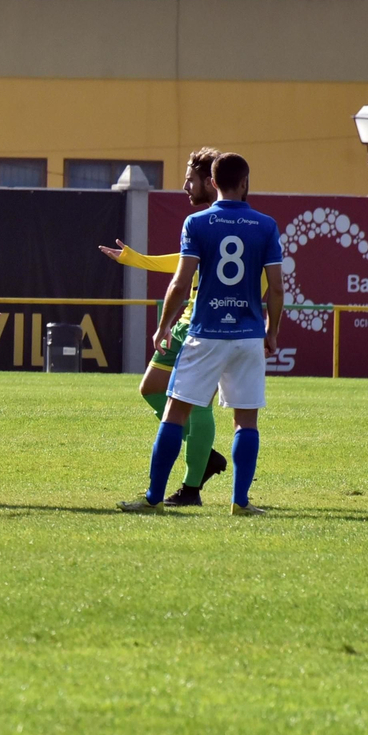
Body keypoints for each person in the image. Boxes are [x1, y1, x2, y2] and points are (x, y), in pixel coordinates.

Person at [122, 152, 283, 515]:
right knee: (246, 420)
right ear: (244, 182)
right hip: (247, 334)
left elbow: (180, 283)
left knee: (175, 413)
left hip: (205, 331)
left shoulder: (196, 223)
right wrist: (272, 331)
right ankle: (240, 503)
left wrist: (163, 325)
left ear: (213, 182)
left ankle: (152, 498)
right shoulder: (266, 225)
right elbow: (276, 288)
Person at [98, 149, 228, 506]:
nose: (184, 186)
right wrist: (136, 259)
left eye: (190, 179)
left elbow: (259, 279)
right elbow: (185, 265)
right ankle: (204, 458)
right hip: (189, 322)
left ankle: (191, 486)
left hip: (206, 327)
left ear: (210, 182)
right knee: (152, 388)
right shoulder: (203, 222)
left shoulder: (220, 222)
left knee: (194, 404)